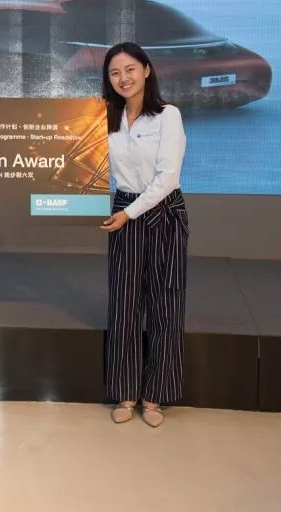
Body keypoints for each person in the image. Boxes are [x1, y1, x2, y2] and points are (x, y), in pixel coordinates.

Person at [99, 42, 188, 428]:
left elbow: (167, 178)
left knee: (166, 303)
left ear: (147, 70)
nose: (123, 78)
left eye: (130, 69)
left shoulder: (168, 116)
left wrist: (129, 214)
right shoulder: (103, 117)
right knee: (123, 304)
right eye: (115, 72)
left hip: (163, 212)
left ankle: (155, 397)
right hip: (123, 207)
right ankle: (126, 393)